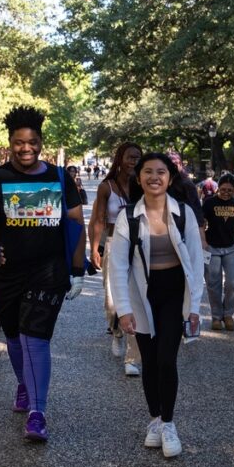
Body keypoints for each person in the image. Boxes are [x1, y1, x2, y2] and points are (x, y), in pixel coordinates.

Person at [0, 106, 86, 442]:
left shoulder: (60, 177)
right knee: (13, 336)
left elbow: (75, 225)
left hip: (49, 271)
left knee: (34, 336)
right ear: (10, 143)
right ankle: (24, 383)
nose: (26, 148)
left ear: (41, 143)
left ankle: (38, 412)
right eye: (19, 142)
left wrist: (77, 270)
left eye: (32, 142)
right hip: (6, 272)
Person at [108, 152, 204, 458]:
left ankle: (169, 423)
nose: (154, 177)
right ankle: (155, 419)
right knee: (149, 361)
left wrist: (195, 306)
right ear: (139, 178)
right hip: (141, 296)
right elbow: (118, 267)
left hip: (174, 294)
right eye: (147, 171)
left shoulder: (184, 214)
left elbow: (196, 263)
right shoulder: (128, 217)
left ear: (170, 178)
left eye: (161, 172)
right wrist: (123, 309)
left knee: (166, 360)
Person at [88, 142, 143, 376]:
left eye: (138, 158)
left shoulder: (143, 186)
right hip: (113, 243)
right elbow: (98, 220)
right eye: (130, 157)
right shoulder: (106, 187)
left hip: (140, 246)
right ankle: (116, 329)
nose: (134, 162)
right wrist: (94, 248)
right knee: (113, 300)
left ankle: (132, 358)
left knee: (136, 299)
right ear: (120, 159)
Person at [202, 174, 234, 331]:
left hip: (231, 248)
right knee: (213, 283)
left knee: (233, 283)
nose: (226, 192)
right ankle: (216, 317)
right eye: (223, 189)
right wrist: (203, 243)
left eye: (229, 190)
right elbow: (202, 224)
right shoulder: (209, 203)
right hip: (212, 247)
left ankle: (228, 315)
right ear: (217, 188)